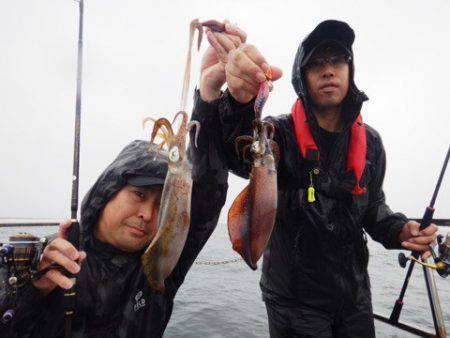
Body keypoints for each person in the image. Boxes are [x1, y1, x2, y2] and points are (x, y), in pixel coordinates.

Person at [0, 23, 246, 338]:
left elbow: (206, 197)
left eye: (161, 204)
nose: (148, 214)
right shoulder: (48, 265)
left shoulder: (160, 268)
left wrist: (210, 96)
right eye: (139, 195)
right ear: (107, 193)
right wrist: (32, 290)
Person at [200, 20, 439, 337]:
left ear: (349, 70)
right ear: (302, 75)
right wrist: (239, 102)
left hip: (354, 299)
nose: (328, 71)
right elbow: (238, 153)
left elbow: (372, 209)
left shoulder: (371, 143)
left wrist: (402, 230)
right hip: (294, 303)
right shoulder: (277, 133)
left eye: (337, 61)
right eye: (316, 64)